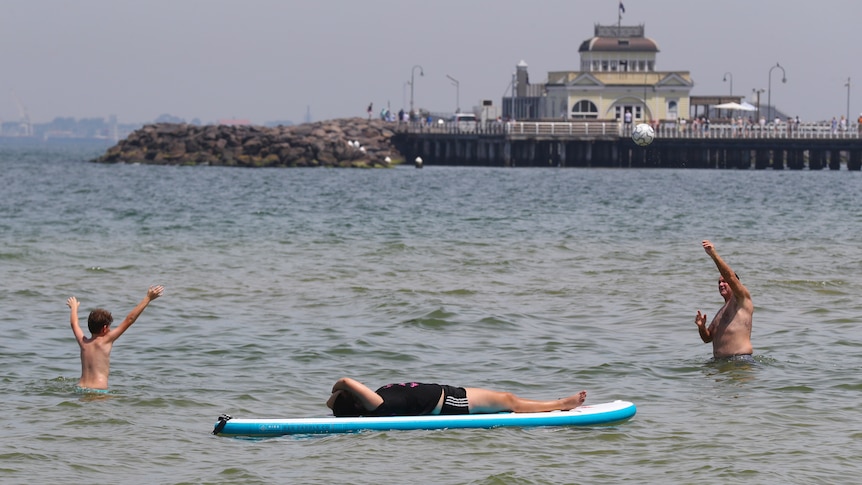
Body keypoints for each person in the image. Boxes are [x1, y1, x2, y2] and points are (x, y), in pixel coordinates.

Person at [66, 285, 165, 392]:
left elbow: (74, 324)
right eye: (109, 327)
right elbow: (130, 319)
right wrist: (148, 299)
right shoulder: (106, 340)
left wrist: (74, 308)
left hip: (80, 388)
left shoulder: (83, 342)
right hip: (98, 390)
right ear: (104, 328)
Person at [326, 377, 587, 417]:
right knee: (509, 401)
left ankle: (560, 403)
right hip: (450, 402)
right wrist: (337, 389)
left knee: (507, 399)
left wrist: (338, 397)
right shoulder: (375, 405)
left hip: (448, 395)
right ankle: (562, 404)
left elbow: (335, 401)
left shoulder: (372, 400)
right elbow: (345, 381)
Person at [694, 241, 754, 361]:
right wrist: (701, 327)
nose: (721, 284)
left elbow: (730, 276)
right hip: (720, 364)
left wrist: (713, 255)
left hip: (740, 361)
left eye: (724, 281)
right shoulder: (721, 312)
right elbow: (707, 338)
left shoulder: (742, 300)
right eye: (719, 282)